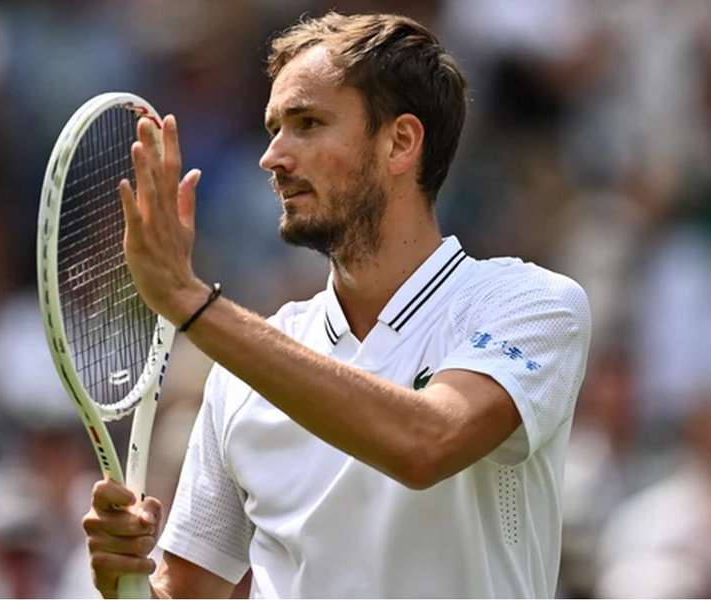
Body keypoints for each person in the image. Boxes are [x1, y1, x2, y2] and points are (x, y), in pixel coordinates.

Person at [83, 12, 591, 598]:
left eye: (307, 123)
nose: (272, 158)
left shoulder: (530, 304)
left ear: (400, 142)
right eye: (274, 128)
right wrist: (124, 581)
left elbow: (426, 444)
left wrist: (190, 302)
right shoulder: (241, 375)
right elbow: (186, 591)